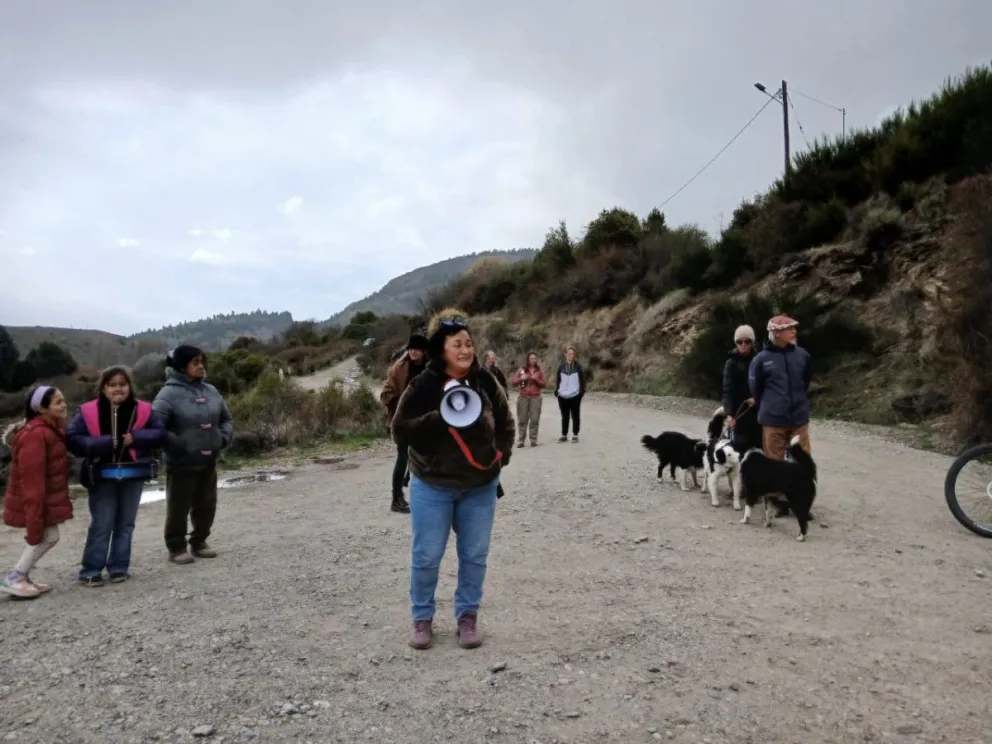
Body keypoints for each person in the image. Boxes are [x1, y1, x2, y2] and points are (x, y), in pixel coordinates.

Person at [391, 316, 515, 650]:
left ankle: (467, 618)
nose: (465, 349)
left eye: (468, 343)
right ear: (441, 350)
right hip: (433, 484)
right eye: (456, 344)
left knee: (475, 554)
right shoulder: (424, 384)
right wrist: (439, 419)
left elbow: (506, 422)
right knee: (427, 555)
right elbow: (399, 429)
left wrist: (500, 457)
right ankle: (421, 619)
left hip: (480, 485)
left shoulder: (485, 381)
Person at [66, 365, 168, 586]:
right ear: (103, 388)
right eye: (112, 385)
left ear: (130, 387)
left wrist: (137, 437)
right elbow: (72, 438)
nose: (118, 389)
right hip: (101, 475)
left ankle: (119, 567)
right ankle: (91, 570)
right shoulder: (86, 411)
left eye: (123, 384)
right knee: (102, 523)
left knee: (126, 523)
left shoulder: (144, 410)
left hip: (134, 473)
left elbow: (161, 432)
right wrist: (102, 443)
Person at [152, 345, 234, 564]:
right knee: (178, 507)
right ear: (182, 366)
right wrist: (179, 445)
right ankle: (176, 547)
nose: (201, 367)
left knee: (206, 504)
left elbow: (226, 419)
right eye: (195, 362)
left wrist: (222, 438)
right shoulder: (167, 394)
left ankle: (199, 542)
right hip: (181, 463)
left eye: (201, 362)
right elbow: (156, 427)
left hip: (208, 460)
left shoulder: (211, 391)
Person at [0, 385, 73, 598]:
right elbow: (32, 481)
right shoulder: (37, 434)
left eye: (63, 400)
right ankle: (15, 577)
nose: (64, 405)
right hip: (37, 498)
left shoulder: (49, 429)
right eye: (58, 402)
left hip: (44, 498)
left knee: (50, 536)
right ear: (41, 408)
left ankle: (20, 576)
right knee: (48, 536)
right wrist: (34, 518)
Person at [748, 315, 813, 517]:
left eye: (795, 328)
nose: (794, 331)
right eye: (789, 329)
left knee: (802, 462)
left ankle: (800, 502)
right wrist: (770, 404)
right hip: (772, 418)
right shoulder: (760, 360)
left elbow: (806, 381)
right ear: (776, 332)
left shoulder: (802, 355)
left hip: (799, 417)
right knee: (774, 464)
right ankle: (779, 504)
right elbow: (755, 388)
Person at [380, 333, 429, 514]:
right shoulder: (398, 369)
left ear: (423, 351)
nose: (413, 352)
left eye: (417, 349)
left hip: (426, 420)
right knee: (402, 456)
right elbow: (386, 393)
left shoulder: (432, 367)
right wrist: (401, 403)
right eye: (411, 349)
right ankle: (396, 497)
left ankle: (424, 495)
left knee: (426, 456)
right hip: (403, 420)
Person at [722, 325, 761, 453]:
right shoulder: (731, 363)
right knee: (738, 451)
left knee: (760, 452)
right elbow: (728, 390)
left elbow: (767, 385)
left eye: (747, 341)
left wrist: (757, 398)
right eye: (740, 341)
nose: (743, 344)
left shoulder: (760, 359)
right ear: (736, 343)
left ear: (752, 342)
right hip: (739, 414)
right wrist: (729, 414)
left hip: (759, 413)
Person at [510, 352, 546, 447]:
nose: (533, 360)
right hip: (523, 396)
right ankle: (521, 440)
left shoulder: (539, 371)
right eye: (531, 358)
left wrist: (536, 380)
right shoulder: (522, 370)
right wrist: (521, 378)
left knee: (534, 419)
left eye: (534, 358)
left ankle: (533, 440)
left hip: (536, 397)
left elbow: (544, 384)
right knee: (522, 419)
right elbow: (513, 382)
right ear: (528, 359)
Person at [554, 346, 586, 442]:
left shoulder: (578, 367)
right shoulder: (561, 367)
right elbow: (558, 381)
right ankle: (564, 434)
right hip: (563, 396)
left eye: (573, 354)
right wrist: (557, 392)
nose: (571, 356)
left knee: (575, 415)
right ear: (565, 354)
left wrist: (581, 393)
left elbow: (582, 381)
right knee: (565, 416)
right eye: (569, 353)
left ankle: (575, 434)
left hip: (575, 395)